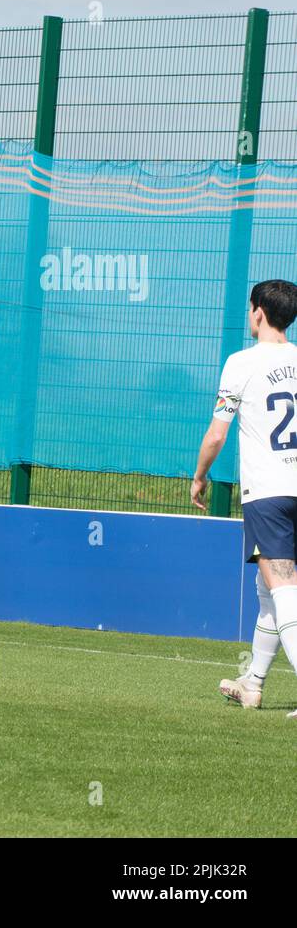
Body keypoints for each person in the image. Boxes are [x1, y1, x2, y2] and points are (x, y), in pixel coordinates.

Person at [195, 279, 297, 714]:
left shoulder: (241, 362)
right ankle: (252, 683)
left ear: (258, 312)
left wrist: (200, 474)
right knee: (268, 589)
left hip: (269, 492)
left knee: (285, 586)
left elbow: (218, 433)